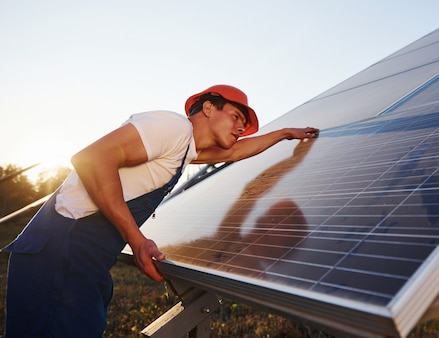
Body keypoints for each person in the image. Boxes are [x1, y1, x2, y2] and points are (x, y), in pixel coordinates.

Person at [3, 84, 319, 337]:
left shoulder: (184, 150)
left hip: (82, 260)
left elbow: (236, 151)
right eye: (236, 116)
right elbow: (92, 159)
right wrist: (137, 240)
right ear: (208, 107)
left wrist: (285, 134)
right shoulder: (172, 128)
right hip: (60, 252)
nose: (241, 128)